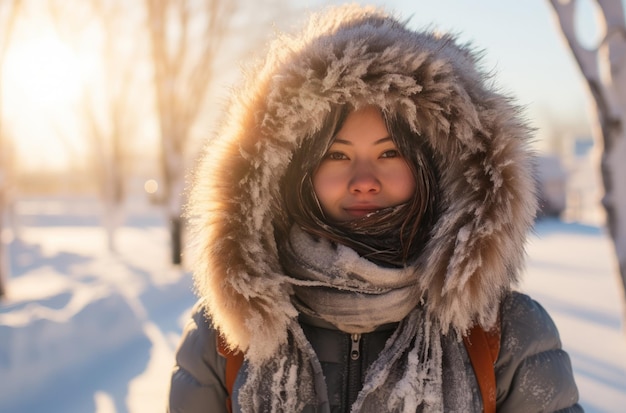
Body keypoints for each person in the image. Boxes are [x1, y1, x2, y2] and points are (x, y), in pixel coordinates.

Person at [167, 4, 583, 412]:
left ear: (434, 170)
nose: (364, 180)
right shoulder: (226, 339)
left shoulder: (504, 336)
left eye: (390, 154)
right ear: (292, 172)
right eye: (336, 155)